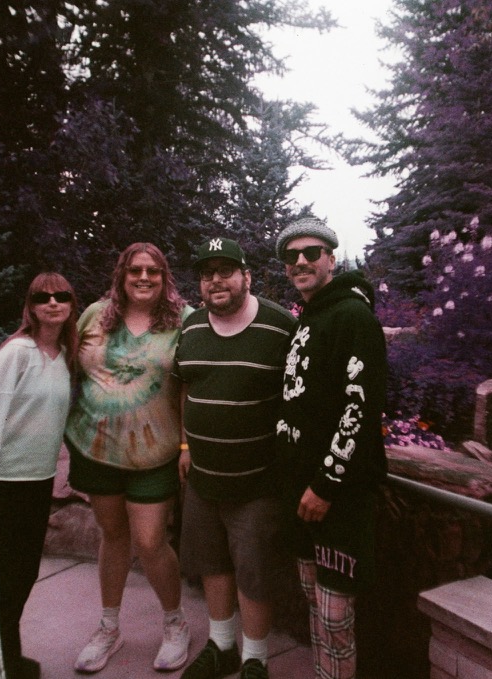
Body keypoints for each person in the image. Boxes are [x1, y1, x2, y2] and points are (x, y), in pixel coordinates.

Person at [64, 242, 193, 674]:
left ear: (164, 276)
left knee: (151, 541)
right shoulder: (94, 315)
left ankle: (175, 623)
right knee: (112, 534)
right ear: (121, 275)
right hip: (96, 448)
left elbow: (193, 384)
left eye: (152, 271)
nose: (143, 277)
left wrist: (188, 444)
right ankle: (108, 627)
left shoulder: (184, 321)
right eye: (135, 270)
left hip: (155, 452)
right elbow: (63, 367)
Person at [174, 237, 296, 679]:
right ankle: (222, 646)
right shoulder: (191, 328)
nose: (215, 280)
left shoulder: (280, 327)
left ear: (246, 276)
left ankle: (254, 659)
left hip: (258, 482)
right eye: (207, 274)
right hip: (203, 478)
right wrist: (185, 446)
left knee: (254, 574)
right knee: (212, 564)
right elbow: (185, 388)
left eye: (226, 270)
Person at [274, 218, 387, 679]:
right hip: (299, 493)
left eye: (312, 252)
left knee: (335, 613)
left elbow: (358, 409)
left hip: (337, 498)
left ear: (331, 260)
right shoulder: (309, 316)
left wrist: (325, 485)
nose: (301, 261)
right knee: (314, 601)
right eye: (292, 255)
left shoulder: (353, 317)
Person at [0, 272, 80, 679]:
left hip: (36, 482)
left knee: (21, 577)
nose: (53, 302)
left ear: (71, 304)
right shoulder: (17, 352)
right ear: (31, 306)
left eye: (61, 295)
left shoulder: (64, 355)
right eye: (42, 297)